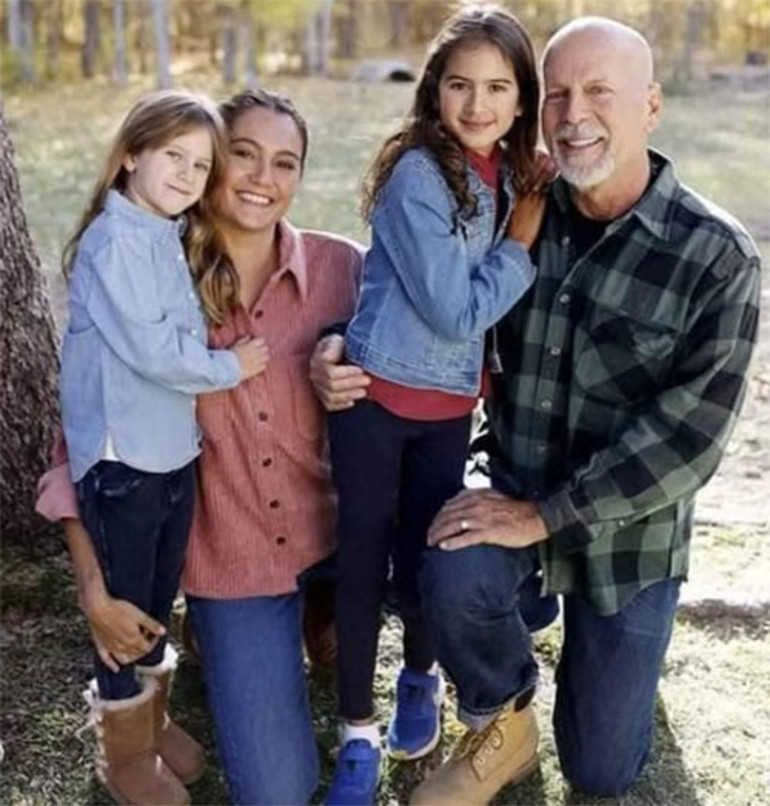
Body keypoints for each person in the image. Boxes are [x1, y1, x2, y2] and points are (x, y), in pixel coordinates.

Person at [312, 17, 761, 804]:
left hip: (629, 539)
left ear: (650, 107)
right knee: (448, 558)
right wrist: (333, 346)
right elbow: (411, 291)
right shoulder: (519, 209)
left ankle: (606, 644)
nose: (574, 112)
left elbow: (686, 445)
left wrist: (545, 517)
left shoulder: (716, 256)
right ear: (537, 109)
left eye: (599, 93)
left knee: (600, 768)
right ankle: (500, 714)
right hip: (512, 482)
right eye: (558, 93)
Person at [37, 88, 363, 804]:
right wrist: (94, 588)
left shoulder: (343, 268)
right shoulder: (150, 274)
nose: (261, 178)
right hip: (234, 562)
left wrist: (339, 350)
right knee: (276, 792)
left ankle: (319, 615)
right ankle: (210, 649)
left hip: (329, 537)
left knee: (356, 644)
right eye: (242, 154)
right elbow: (79, 440)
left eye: (286, 163)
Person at [322, 6, 546, 805]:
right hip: (377, 399)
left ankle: (420, 677)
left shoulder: (514, 174)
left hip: (449, 406)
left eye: (497, 87)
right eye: (460, 85)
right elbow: (455, 311)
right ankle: (356, 729)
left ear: (523, 99)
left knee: (428, 550)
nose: (477, 105)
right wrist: (519, 243)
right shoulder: (420, 172)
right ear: (434, 91)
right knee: (362, 560)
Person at [58, 89, 269, 805]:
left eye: (199, 164)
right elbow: (155, 352)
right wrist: (230, 368)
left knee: (155, 594)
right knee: (123, 605)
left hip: (170, 453)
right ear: (128, 159)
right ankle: (123, 752)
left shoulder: (161, 232)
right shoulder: (115, 242)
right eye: (171, 156)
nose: (187, 174)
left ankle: (150, 721)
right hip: (124, 464)